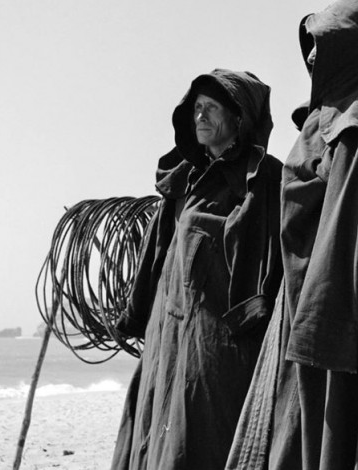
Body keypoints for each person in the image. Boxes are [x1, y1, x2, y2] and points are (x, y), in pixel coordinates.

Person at [227, 1, 358, 469]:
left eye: (323, 42)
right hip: (300, 294)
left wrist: (323, 310)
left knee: (349, 424)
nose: (313, 57)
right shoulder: (326, 110)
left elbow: (353, 215)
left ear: (353, 40)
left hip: (349, 297)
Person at [111, 69, 283, 470]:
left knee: (205, 436)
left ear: (239, 117)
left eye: (211, 109)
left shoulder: (265, 180)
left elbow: (278, 258)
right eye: (197, 109)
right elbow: (157, 253)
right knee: (154, 433)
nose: (200, 117)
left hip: (221, 342)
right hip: (168, 332)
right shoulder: (184, 178)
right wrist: (137, 317)